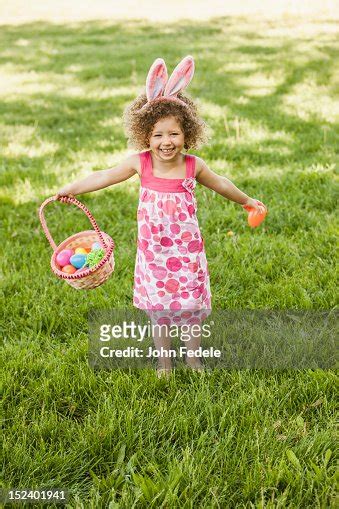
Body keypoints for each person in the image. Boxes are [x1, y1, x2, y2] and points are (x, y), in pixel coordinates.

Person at [56, 55, 266, 378]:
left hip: (186, 253)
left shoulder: (193, 166)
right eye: (157, 135)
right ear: (145, 136)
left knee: (191, 308)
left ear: (187, 133)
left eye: (174, 134)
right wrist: (72, 187)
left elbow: (222, 184)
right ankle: (164, 362)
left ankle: (193, 359)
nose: (166, 142)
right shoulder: (140, 164)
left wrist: (246, 200)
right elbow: (104, 175)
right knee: (160, 310)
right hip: (154, 254)